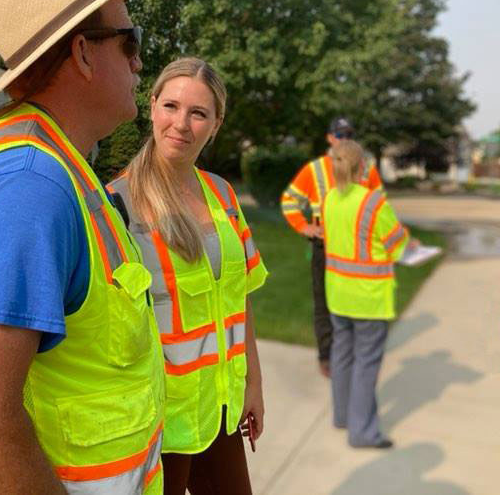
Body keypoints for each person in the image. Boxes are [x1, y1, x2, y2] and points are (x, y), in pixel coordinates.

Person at [0, 0, 166, 494]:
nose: (139, 61)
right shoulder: (28, 187)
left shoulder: (62, 169)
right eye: (130, 42)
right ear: (82, 53)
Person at [108, 57, 269, 495]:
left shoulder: (222, 193)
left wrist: (254, 383)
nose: (181, 123)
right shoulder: (117, 205)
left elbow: (240, 297)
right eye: (171, 106)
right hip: (159, 422)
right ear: (152, 105)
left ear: (215, 124)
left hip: (220, 409)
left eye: (198, 113)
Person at [322, 139, 416, 449]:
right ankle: (362, 432)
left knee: (342, 355)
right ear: (363, 166)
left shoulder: (330, 199)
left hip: (338, 294)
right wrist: (408, 243)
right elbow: (397, 245)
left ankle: (343, 417)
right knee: (366, 363)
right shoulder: (373, 202)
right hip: (369, 298)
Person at [280, 118, 383, 377]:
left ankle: (352, 351)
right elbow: (289, 200)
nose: (344, 139)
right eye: (339, 135)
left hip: (355, 247)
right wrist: (305, 227)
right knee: (324, 302)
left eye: (348, 134)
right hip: (325, 246)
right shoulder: (315, 169)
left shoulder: (366, 168)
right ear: (329, 138)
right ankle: (327, 356)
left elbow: (378, 205)